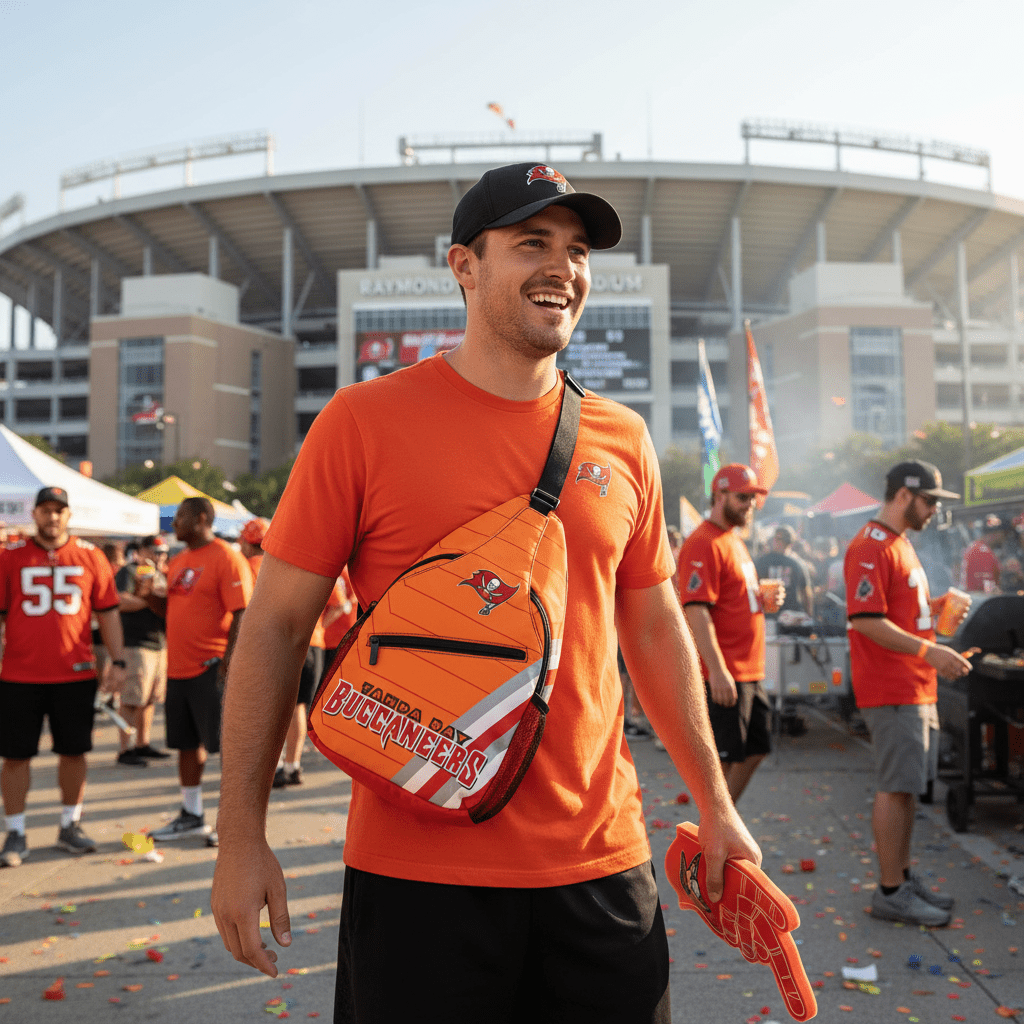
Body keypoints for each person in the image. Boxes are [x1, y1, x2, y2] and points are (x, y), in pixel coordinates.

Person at [211, 161, 760, 1023]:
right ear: (463, 265)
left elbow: (654, 629)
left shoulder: (623, 438)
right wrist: (240, 836)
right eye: (531, 243)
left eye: (577, 249)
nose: (563, 267)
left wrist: (716, 803)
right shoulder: (361, 422)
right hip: (416, 876)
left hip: (601, 864)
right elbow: (276, 628)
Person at [844, 459, 973, 927]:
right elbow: (865, 619)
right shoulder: (870, 545)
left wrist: (935, 609)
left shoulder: (899, 544)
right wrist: (930, 651)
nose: (935, 511)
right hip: (893, 686)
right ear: (903, 495)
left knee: (907, 789)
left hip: (913, 685)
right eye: (931, 501)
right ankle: (891, 890)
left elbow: (894, 610)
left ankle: (900, 877)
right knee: (896, 788)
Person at [0, 487, 126, 867]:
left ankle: (70, 824)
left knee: (74, 752)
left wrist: (118, 662)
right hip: (19, 674)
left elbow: (108, 614)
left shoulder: (91, 556)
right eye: (46, 510)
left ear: (69, 515)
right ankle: (16, 830)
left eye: (59, 510)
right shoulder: (10, 558)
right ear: (34, 514)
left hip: (74, 672)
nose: (52, 517)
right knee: (15, 755)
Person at [145, 497, 252, 844]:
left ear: (201, 518)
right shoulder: (178, 561)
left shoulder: (226, 557)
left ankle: (233, 823)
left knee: (226, 748)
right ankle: (191, 814)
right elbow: (170, 611)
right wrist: (148, 596)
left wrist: (230, 662)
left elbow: (242, 613)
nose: (173, 524)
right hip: (178, 669)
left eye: (179, 517)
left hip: (212, 667)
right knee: (186, 745)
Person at [677, 464, 783, 804]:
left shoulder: (733, 540)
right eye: (742, 497)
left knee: (757, 748)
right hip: (725, 672)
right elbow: (696, 609)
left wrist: (766, 601)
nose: (749, 505)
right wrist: (717, 670)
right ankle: (711, 833)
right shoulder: (703, 541)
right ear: (719, 495)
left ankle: (725, 817)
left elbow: (735, 599)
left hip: (750, 670)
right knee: (721, 761)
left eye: (752, 498)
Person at [113, 534, 170, 766]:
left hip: (158, 642)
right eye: (155, 551)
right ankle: (125, 749)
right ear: (143, 551)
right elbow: (119, 600)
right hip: (136, 643)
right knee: (131, 698)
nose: (160, 556)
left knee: (150, 699)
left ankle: (142, 743)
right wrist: (150, 601)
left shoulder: (162, 574)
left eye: (163, 552)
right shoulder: (130, 571)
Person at [754, 525, 813, 616]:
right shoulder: (798, 563)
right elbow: (806, 592)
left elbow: (753, 587)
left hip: (769, 614)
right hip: (790, 614)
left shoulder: (761, 561)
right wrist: (809, 615)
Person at [960, 514, 1008, 592]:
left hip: (978, 599)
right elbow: (986, 587)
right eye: (1003, 534)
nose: (1003, 538)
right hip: (981, 600)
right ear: (997, 533)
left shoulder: (978, 548)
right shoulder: (981, 551)